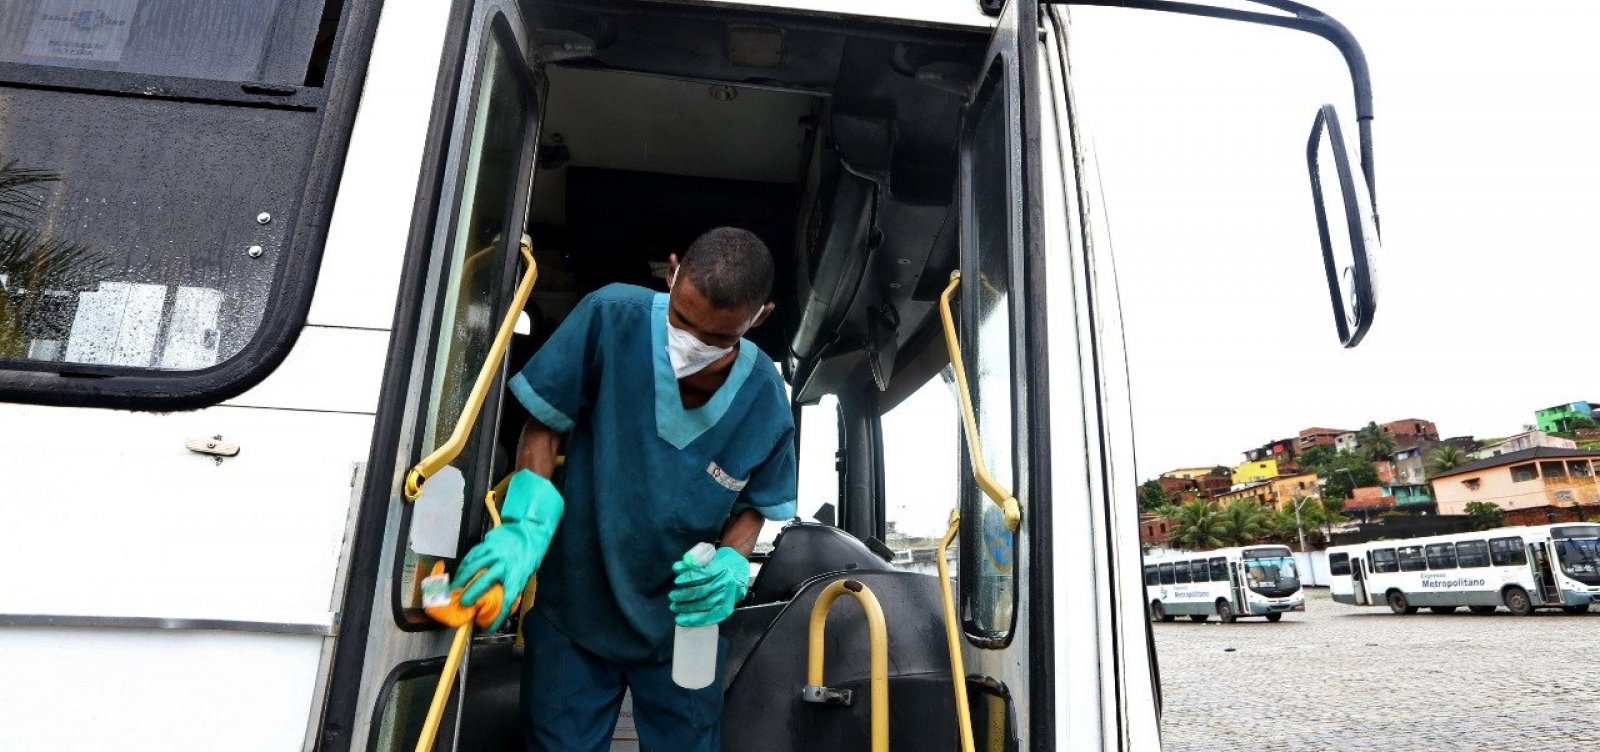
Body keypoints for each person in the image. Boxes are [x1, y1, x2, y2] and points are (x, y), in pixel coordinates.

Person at [453, 226, 797, 751]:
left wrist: (731, 562)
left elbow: (755, 504)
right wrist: (526, 524)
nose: (693, 344)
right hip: (577, 609)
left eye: (719, 338)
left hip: (684, 623)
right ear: (674, 269)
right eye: (683, 321)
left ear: (760, 319)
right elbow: (544, 424)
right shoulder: (610, 318)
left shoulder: (766, 399)